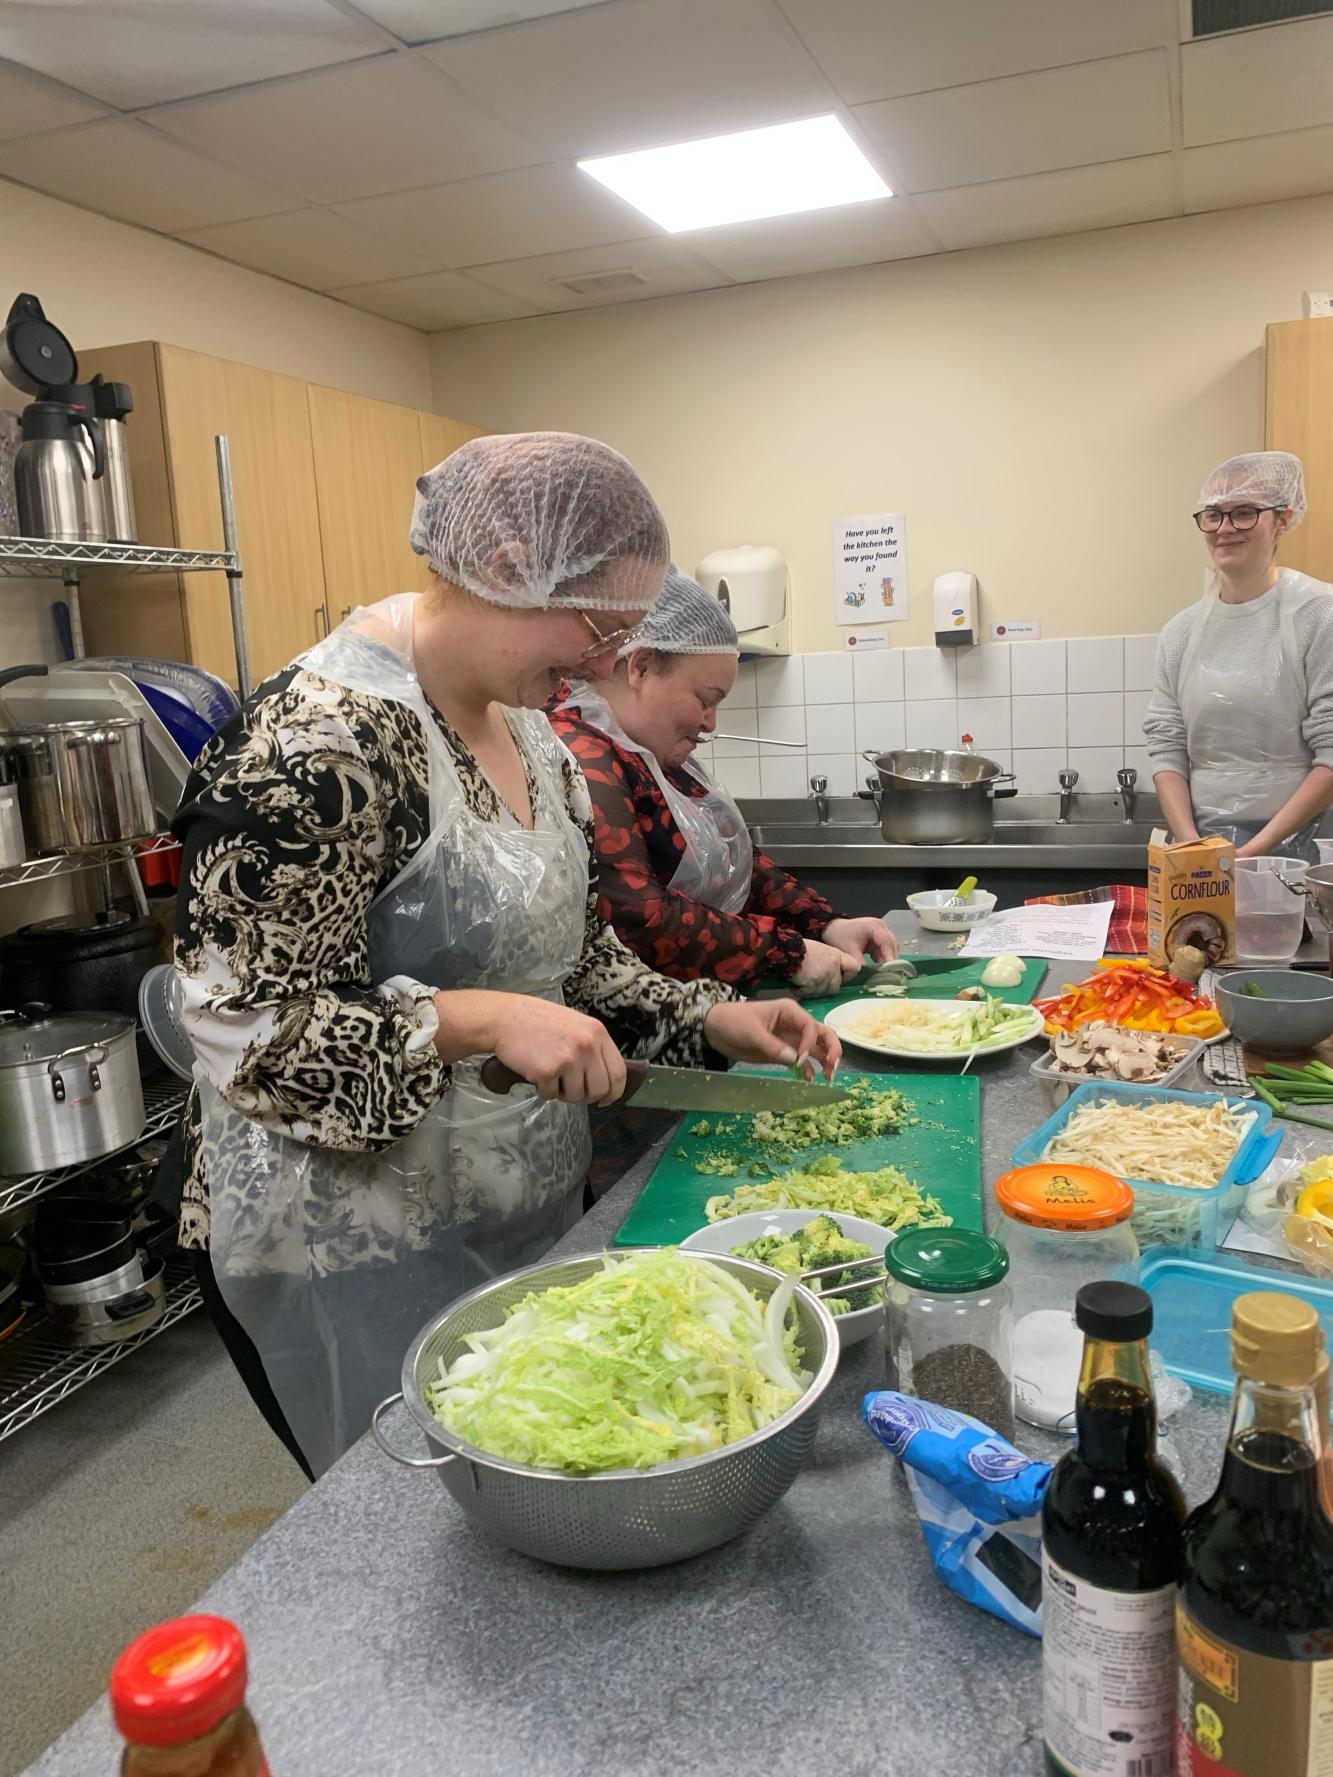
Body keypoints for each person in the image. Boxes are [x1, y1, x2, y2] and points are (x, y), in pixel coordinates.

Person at [167, 434, 839, 1479]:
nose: (607, 663)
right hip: (349, 1241)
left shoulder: (531, 732)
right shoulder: (322, 737)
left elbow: (562, 955)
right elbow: (248, 1033)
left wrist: (705, 1014)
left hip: (509, 1202)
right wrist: (475, 1020)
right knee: (412, 1523)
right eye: (598, 628)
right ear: (511, 560)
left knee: (541, 1465)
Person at [551, 566, 898, 994]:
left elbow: (735, 864)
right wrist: (785, 950)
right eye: (704, 699)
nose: (710, 723)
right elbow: (639, 918)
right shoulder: (580, 756)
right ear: (640, 667)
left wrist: (824, 923)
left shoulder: (655, 753)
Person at [1144, 450, 1333, 862]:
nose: (1225, 528)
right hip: (1202, 843)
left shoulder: (1320, 614)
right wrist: (1193, 844)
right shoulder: (1180, 633)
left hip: (1300, 843)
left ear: (1283, 518)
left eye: (1244, 512)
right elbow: (1167, 744)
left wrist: (1257, 850)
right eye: (1213, 514)